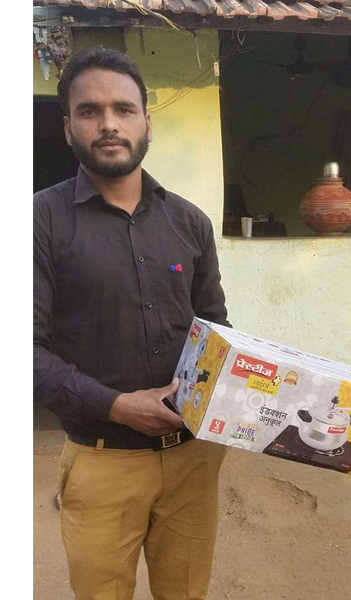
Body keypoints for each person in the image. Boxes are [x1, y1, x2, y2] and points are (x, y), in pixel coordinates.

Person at [33, 47, 230, 600]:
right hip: (102, 461)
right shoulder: (37, 223)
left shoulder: (190, 221)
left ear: (147, 120)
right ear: (68, 127)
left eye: (123, 108)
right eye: (90, 111)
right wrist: (118, 405)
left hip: (193, 457)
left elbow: (215, 330)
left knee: (185, 592)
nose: (109, 124)